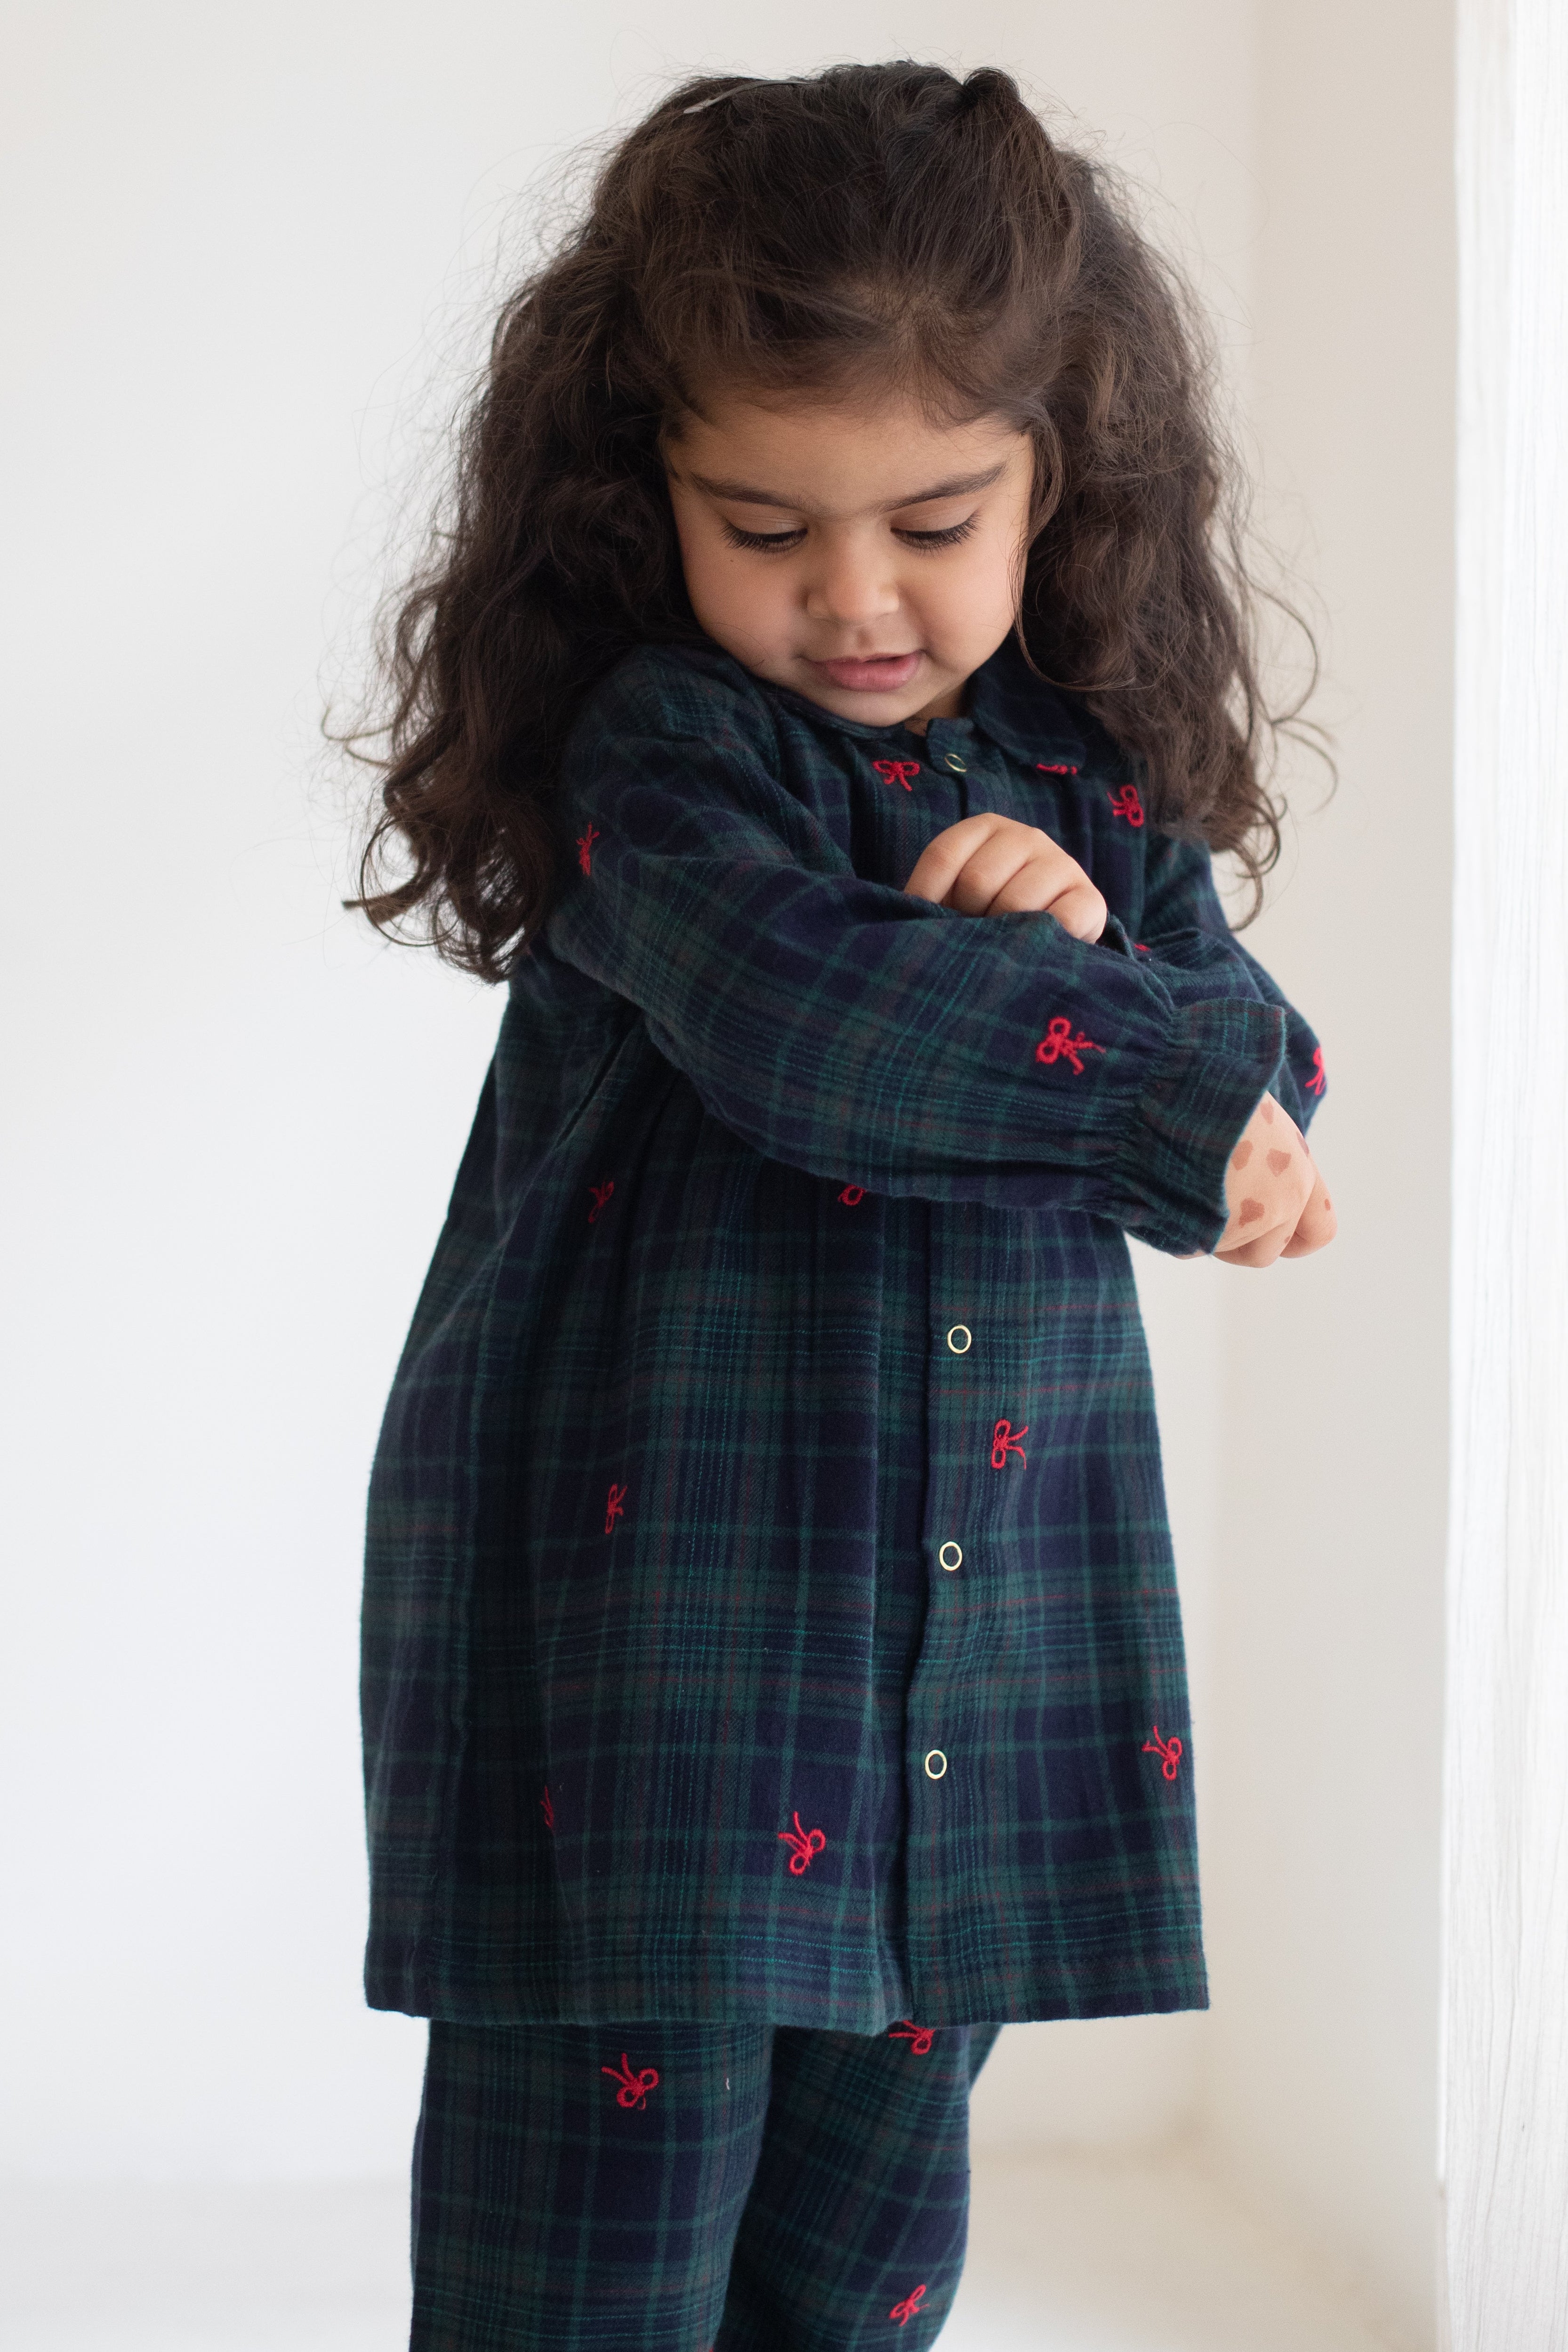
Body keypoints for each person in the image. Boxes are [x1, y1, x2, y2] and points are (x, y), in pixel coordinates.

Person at [348, 61, 1335, 2352]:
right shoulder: (664, 760)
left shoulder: (1086, 775)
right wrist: (1130, 1053)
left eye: (929, 516)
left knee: (860, 2287)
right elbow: (809, 1022)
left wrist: (1091, 949)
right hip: (653, 1688)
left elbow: (1265, 1081)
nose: (854, 597)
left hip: (959, 1711)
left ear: (1048, 480)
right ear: (645, 498)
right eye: (765, 526)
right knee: (583, 2288)